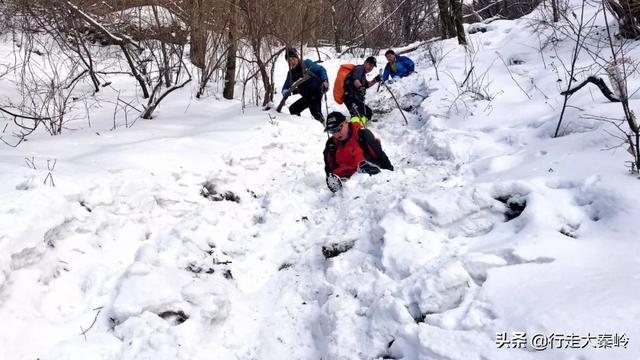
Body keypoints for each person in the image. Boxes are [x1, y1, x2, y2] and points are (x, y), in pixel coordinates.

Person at [323, 111, 393, 192]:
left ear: (346, 123)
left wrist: (390, 173)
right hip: (345, 181)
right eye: (332, 131)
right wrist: (331, 179)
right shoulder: (331, 144)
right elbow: (329, 168)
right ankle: (342, 189)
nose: (336, 133)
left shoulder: (362, 135)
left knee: (363, 165)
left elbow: (379, 155)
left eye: (338, 129)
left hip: (366, 177)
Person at [281, 48, 329, 123]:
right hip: (307, 95)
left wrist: (325, 81)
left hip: (316, 91)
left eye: (293, 58)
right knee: (293, 109)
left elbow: (321, 69)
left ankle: (323, 129)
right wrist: (285, 92)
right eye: (289, 60)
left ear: (297, 57)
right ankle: (302, 127)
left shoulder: (306, 64)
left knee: (315, 112)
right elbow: (286, 85)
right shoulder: (291, 73)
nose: (292, 62)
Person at [343, 56, 382, 123]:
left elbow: (366, 85)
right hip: (349, 97)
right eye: (369, 64)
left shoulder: (363, 74)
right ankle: (355, 129)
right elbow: (356, 80)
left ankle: (359, 125)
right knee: (356, 117)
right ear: (365, 63)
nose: (370, 68)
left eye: (372, 67)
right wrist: (360, 87)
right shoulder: (359, 69)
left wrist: (375, 80)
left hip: (356, 99)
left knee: (368, 113)